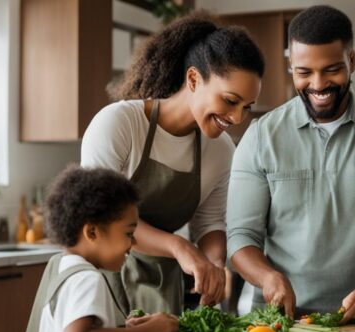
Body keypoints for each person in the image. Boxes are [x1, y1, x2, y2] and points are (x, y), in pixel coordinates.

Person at [81, 11, 264, 315]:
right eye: (230, 101)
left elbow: (210, 224)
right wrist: (180, 248)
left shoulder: (219, 149)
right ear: (193, 78)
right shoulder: (120, 125)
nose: (236, 118)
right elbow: (103, 216)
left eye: (246, 107)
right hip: (97, 283)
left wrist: (215, 264)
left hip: (159, 292)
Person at [226, 5, 355, 322]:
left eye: (331, 69)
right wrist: (269, 277)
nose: (318, 84)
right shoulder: (260, 136)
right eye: (304, 72)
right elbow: (241, 238)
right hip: (280, 321)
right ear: (290, 66)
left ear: (352, 61)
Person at [22, 166, 179, 332]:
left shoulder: (67, 269)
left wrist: (126, 330)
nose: (133, 242)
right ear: (92, 232)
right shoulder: (88, 278)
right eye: (128, 233)